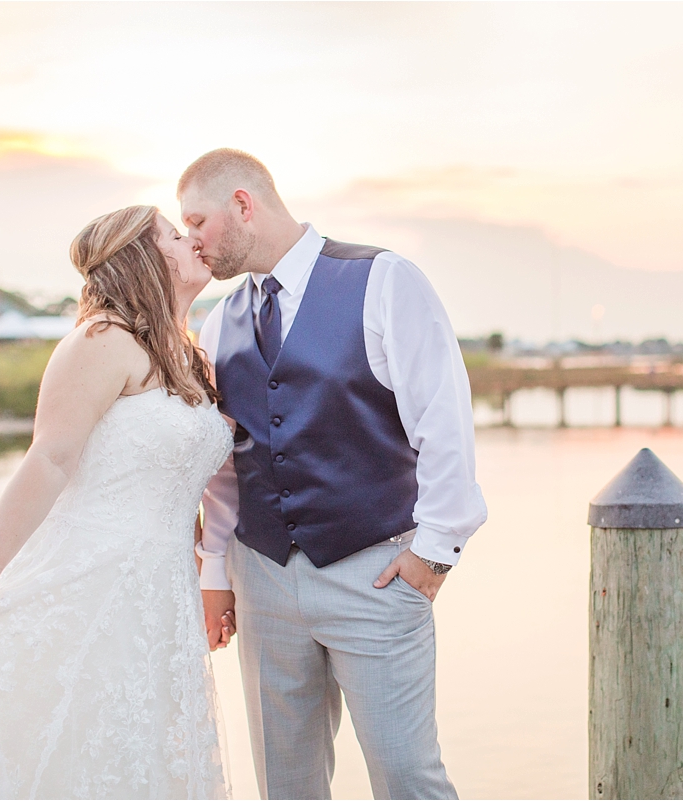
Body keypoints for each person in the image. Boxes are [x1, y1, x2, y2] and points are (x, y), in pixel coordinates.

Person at [0, 206, 235, 800]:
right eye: (175, 237)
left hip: (162, 595)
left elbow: (176, 475)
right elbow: (49, 459)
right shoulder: (102, 341)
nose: (193, 243)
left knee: (140, 749)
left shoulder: (190, 357)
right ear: (146, 259)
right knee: (78, 742)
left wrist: (210, 566)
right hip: (91, 578)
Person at [181, 148, 487, 800]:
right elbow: (224, 468)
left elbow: (444, 418)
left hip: (374, 574)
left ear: (243, 204)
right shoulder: (218, 324)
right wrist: (216, 575)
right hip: (261, 581)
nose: (191, 242)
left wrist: (433, 553)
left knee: (408, 778)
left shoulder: (383, 280)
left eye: (197, 222)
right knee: (286, 785)